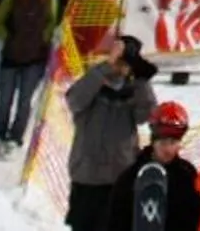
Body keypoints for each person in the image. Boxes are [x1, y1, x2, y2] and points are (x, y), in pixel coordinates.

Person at [66, 36, 159, 231]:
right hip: (86, 179)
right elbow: (74, 100)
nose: (121, 68)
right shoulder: (93, 84)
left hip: (119, 180)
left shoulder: (133, 91)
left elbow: (148, 114)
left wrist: (142, 78)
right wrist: (107, 65)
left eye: (126, 64)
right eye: (120, 62)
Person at [0, 0, 59, 153]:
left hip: (35, 58)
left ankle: (15, 137)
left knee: (24, 101)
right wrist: (8, 38)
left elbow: (52, 23)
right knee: (5, 100)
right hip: (11, 56)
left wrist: (43, 38)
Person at [104, 101, 200, 231]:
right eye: (162, 142)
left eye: (173, 142)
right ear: (153, 140)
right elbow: (116, 220)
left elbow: (196, 218)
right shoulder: (132, 175)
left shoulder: (187, 174)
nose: (167, 149)